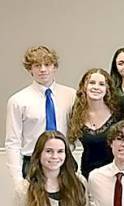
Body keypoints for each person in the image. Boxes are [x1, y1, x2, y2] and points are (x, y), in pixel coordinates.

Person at [6, 45, 76, 180]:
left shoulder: (71, 96)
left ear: (55, 67)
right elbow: (12, 142)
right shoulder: (18, 100)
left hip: (64, 161)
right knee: (36, 201)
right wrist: (17, 179)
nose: (43, 69)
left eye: (47, 64)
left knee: (69, 200)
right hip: (33, 162)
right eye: (37, 65)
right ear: (30, 69)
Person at [67, 68, 124, 178]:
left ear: (107, 89)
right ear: (84, 86)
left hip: (115, 174)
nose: (96, 87)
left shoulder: (118, 113)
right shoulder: (76, 113)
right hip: (88, 174)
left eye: (101, 84)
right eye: (92, 83)